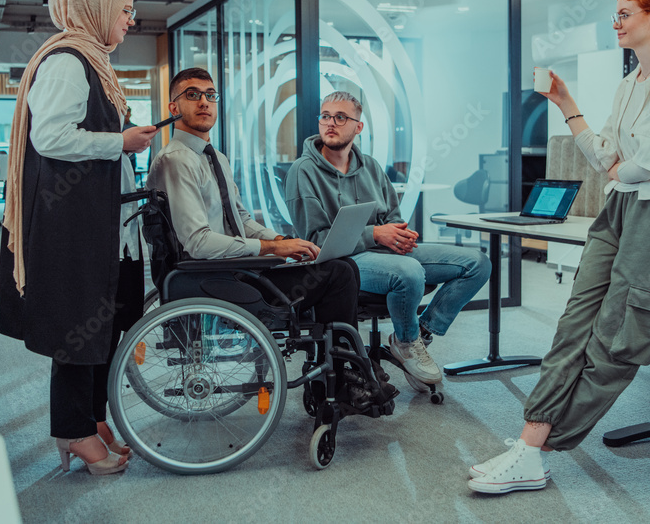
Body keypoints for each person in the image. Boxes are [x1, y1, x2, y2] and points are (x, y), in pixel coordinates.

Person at [467, 0, 650, 494]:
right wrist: (566, 103)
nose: (617, 23)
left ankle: (535, 447)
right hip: (620, 210)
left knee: (617, 340)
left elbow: (647, 164)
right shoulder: (630, 82)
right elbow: (606, 157)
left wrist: (618, 166)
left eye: (624, 13)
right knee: (573, 326)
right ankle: (529, 443)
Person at [0, 0, 160, 476]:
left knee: (101, 326)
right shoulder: (68, 61)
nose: (131, 20)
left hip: (98, 222)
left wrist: (123, 135)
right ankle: (73, 430)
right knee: (77, 328)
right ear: (96, 7)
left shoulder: (92, 60)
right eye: (126, 9)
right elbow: (52, 138)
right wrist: (121, 142)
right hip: (72, 226)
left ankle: (89, 418)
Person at [147, 67, 395, 408]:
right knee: (337, 274)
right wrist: (272, 248)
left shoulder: (212, 156)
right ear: (174, 108)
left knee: (339, 266)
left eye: (210, 95)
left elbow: (242, 220)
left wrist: (283, 241)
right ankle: (341, 380)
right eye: (192, 95)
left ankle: (341, 375)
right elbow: (199, 243)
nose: (204, 102)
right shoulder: (176, 160)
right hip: (213, 278)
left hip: (237, 268)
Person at [285, 91, 491, 390]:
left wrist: (399, 235)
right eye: (326, 116)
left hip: (382, 250)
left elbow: (392, 215)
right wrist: (376, 234)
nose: (331, 123)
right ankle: (407, 342)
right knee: (408, 272)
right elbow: (316, 241)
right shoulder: (302, 171)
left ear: (358, 127)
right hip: (341, 261)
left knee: (477, 264)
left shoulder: (369, 166)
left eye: (340, 117)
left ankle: (419, 331)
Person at [123, 106, 138, 171]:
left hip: (131, 158)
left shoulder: (134, 128)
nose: (126, 117)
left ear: (130, 115)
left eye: (127, 115)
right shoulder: (117, 127)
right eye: (125, 115)